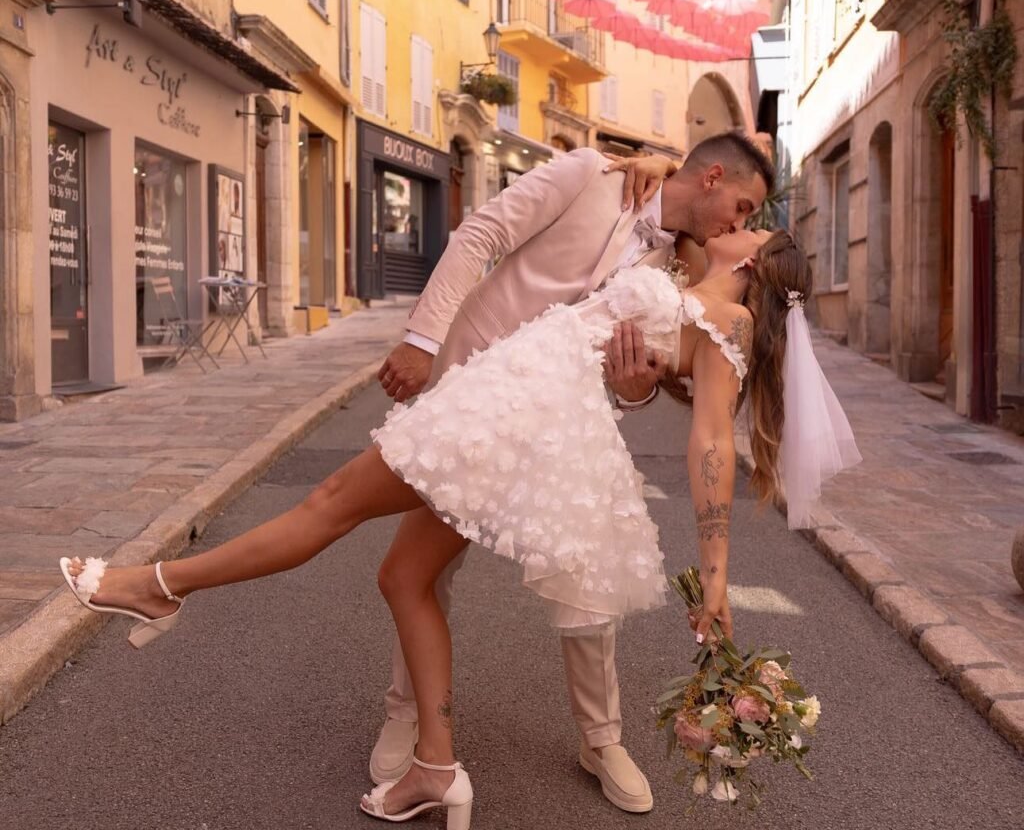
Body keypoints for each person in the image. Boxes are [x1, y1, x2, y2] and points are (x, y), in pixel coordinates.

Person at [58, 224, 862, 829]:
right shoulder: (686, 275)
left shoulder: (731, 320)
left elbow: (712, 439)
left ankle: (159, 586)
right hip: (509, 402)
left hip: (512, 414)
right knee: (403, 577)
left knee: (331, 500)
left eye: (756, 223)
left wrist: (717, 578)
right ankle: (436, 769)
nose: (743, 220)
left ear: (758, 259)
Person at [370, 133, 772, 813]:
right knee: (427, 567)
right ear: (711, 177)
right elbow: (480, 234)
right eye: (742, 206)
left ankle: (602, 740)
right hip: (474, 389)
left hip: (563, 427)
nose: (740, 224)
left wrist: (635, 388)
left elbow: (644, 374)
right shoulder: (593, 175)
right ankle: (404, 715)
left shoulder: (685, 263)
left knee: (587, 573)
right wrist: (422, 339)